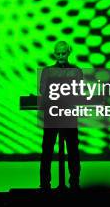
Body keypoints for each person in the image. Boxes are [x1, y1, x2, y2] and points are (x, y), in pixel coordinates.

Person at [39, 41, 81, 190]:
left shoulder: (76, 71)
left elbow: (77, 91)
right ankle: (45, 184)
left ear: (69, 53)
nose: (61, 56)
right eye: (58, 53)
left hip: (69, 115)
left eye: (64, 53)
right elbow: (43, 91)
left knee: (73, 151)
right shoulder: (47, 71)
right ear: (55, 53)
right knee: (47, 150)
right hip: (53, 115)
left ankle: (74, 183)